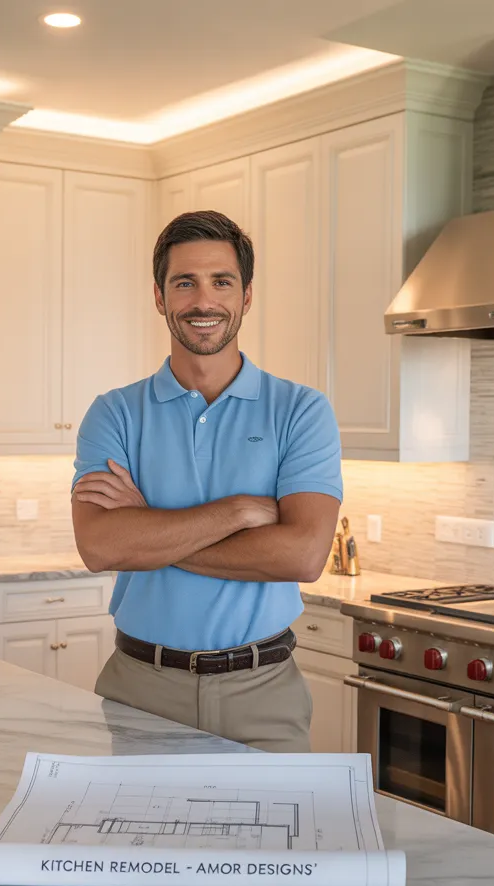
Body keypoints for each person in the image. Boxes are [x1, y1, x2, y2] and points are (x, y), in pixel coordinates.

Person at [70, 210, 342, 752]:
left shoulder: (301, 411)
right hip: (140, 688)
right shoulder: (114, 413)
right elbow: (100, 547)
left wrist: (147, 531)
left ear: (246, 296)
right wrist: (237, 512)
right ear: (159, 296)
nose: (203, 301)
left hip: (263, 694)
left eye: (221, 281)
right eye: (184, 283)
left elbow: (304, 556)